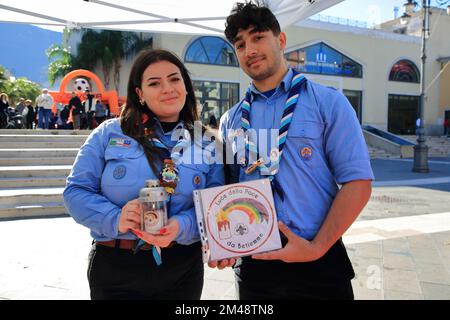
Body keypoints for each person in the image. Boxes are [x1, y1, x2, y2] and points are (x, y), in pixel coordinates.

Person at [214, 2, 373, 300]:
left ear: (281, 40)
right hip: (255, 266)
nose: (249, 50)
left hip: (319, 261)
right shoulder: (230, 120)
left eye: (258, 37)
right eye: (240, 44)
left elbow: (358, 183)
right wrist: (221, 243)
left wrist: (315, 248)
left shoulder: (329, 103)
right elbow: (225, 190)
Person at [63, 49, 224, 300]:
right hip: (116, 266)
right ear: (139, 93)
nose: (168, 88)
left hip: (182, 268)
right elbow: (75, 192)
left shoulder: (207, 143)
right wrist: (116, 217)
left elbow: (216, 206)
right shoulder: (109, 133)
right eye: (154, 83)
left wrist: (182, 226)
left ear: (185, 85)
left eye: (174, 79)